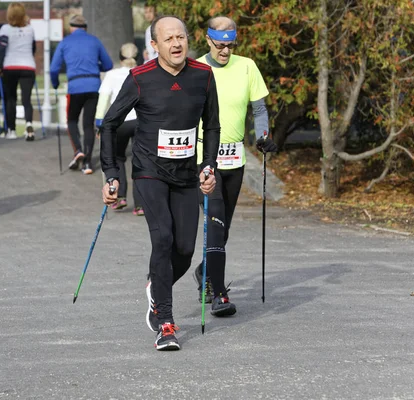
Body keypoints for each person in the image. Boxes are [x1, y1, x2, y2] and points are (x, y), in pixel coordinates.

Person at [100, 16, 220, 351]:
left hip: (185, 175)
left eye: (181, 37)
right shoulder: (140, 78)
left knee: (183, 250)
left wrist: (209, 166)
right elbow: (109, 124)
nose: (177, 44)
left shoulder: (202, 75)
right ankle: (164, 321)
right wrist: (111, 174)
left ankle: (156, 285)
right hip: (149, 172)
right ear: (154, 45)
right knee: (163, 238)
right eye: (168, 39)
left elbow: (212, 126)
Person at [194, 16, 278, 314]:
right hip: (204, 161)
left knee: (223, 230)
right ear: (208, 41)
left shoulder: (247, 66)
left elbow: (258, 108)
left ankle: (205, 272)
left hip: (235, 161)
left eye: (231, 46)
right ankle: (218, 294)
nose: (226, 52)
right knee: (215, 224)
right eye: (220, 46)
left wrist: (264, 136)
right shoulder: (197, 69)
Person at [50, 14, 113, 175]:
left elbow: (53, 68)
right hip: (93, 86)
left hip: (75, 87)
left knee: (71, 120)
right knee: (88, 124)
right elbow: (108, 64)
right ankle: (87, 163)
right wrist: (93, 67)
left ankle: (78, 150)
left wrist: (55, 83)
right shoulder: (94, 41)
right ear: (85, 27)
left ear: (71, 28)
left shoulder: (65, 42)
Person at [95, 43, 143, 216]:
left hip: (120, 122)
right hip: (140, 121)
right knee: (140, 160)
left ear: (120, 57)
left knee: (118, 157)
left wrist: (99, 124)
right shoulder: (143, 72)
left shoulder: (112, 75)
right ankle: (141, 204)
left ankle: (120, 196)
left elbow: (103, 101)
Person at [0, 2, 37, 141]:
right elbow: (33, 48)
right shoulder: (30, 30)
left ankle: (12, 130)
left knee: (10, 99)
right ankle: (29, 124)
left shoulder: (5, 29)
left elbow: (2, 49)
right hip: (28, 66)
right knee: (26, 99)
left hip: (10, 67)